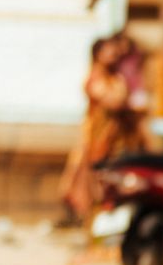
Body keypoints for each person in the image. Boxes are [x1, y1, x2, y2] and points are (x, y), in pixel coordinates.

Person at [60, 34, 149, 228]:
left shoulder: (116, 78)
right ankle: (94, 237)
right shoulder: (95, 79)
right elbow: (114, 102)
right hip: (98, 143)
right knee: (94, 190)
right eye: (109, 50)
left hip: (119, 143)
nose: (114, 54)